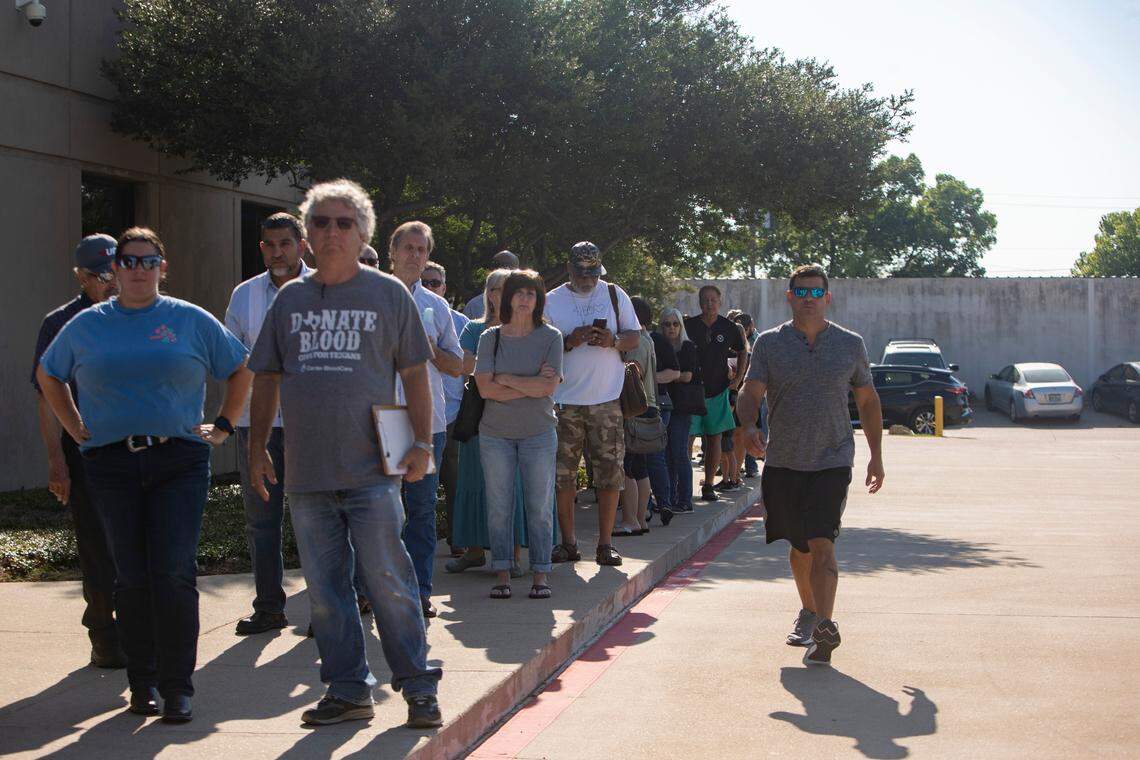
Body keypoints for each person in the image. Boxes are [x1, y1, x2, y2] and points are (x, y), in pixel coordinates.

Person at [246, 179, 443, 728]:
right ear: (307, 235)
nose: (331, 231)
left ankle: (418, 687)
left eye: (344, 222)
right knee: (327, 594)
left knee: (390, 582)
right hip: (306, 474)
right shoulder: (290, 299)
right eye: (321, 222)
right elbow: (265, 377)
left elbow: (415, 376)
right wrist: (258, 445)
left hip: (373, 471)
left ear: (363, 234)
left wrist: (422, 444)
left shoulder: (388, 294)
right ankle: (349, 689)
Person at [37, 227, 252, 723]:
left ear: (162, 266)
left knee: (173, 572)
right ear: (114, 269)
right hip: (110, 464)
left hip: (178, 461)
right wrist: (74, 427)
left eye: (147, 261)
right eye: (128, 261)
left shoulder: (188, 319)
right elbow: (49, 374)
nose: (137, 269)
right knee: (130, 577)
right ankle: (143, 682)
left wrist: (222, 426)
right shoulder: (88, 325)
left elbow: (241, 369)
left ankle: (178, 687)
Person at [738, 263, 886, 668]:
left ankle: (825, 625)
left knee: (822, 543)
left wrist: (876, 454)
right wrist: (748, 424)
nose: (808, 299)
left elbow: (868, 401)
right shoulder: (769, 344)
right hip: (783, 461)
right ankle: (808, 611)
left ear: (827, 297)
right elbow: (750, 392)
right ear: (789, 297)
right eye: (800, 293)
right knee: (799, 548)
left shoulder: (849, 344)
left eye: (815, 293)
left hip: (833, 459)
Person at [29, 233, 124, 669]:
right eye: (100, 275)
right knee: (97, 548)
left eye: (115, 270)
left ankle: (141, 630)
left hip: (141, 449)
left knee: (140, 546)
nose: (111, 281)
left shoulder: (143, 315)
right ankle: (104, 632)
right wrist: (56, 462)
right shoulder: (61, 324)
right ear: (80, 277)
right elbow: (47, 397)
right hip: (86, 452)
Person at [224, 213, 312, 636]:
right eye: (270, 245)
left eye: (285, 243)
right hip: (253, 425)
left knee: (317, 519)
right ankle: (269, 608)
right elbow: (232, 359)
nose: (278, 252)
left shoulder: (323, 289)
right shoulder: (243, 296)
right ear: (261, 248)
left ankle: (331, 608)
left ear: (302, 244)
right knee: (262, 520)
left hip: (309, 424)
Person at [544, 242, 640, 567]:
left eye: (592, 270)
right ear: (569, 268)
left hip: (607, 400)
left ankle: (606, 544)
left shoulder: (615, 294)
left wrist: (612, 340)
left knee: (610, 473)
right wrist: (569, 341)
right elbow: (541, 345)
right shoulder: (552, 299)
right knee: (562, 476)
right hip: (563, 401)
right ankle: (568, 543)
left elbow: (634, 336)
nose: (587, 276)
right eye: (581, 270)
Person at [389, 222, 464, 619]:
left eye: (421, 249)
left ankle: (419, 592)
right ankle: (374, 591)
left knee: (419, 511)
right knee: (378, 512)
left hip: (426, 424)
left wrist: (431, 349)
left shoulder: (437, 308)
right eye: (408, 248)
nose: (415, 256)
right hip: (379, 420)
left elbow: (457, 367)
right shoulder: (370, 297)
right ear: (393, 252)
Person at [474, 270, 562, 599]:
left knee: (539, 507)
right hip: (495, 434)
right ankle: (502, 572)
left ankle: (541, 574)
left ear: (539, 299)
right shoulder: (490, 338)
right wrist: (530, 385)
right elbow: (484, 389)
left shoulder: (551, 336)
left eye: (531, 293)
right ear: (507, 297)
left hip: (538, 433)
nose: (525, 299)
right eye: (519, 292)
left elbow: (549, 387)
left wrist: (505, 378)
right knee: (499, 506)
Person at [446, 270, 530, 575]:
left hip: (518, 417)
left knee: (511, 485)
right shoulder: (473, 327)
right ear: (488, 294)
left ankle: (513, 555)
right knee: (474, 480)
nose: (501, 294)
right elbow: (464, 365)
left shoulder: (527, 328)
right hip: (478, 415)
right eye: (495, 289)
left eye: (508, 288)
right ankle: (474, 551)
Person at [421, 261, 470, 556]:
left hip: (451, 413)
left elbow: (462, 367)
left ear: (444, 287)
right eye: (425, 282)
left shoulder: (460, 321)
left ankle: (458, 539)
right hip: (415, 416)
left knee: (454, 482)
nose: (430, 287)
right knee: (419, 490)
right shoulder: (406, 309)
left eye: (435, 282)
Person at [615, 296, 676, 535]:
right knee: (640, 467)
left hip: (634, 409)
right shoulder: (648, 339)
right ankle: (640, 519)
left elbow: (634, 373)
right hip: (649, 406)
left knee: (627, 467)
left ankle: (630, 519)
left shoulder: (636, 342)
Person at [685, 285, 748, 502]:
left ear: (720, 301)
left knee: (714, 440)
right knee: (687, 438)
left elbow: (743, 351)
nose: (709, 304)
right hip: (691, 391)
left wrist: (738, 380)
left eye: (713, 300)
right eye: (705, 300)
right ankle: (682, 485)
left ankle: (709, 484)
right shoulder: (689, 325)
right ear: (699, 302)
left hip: (719, 391)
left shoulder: (729, 327)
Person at [656, 307, 696, 518]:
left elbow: (687, 376)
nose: (671, 328)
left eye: (675, 323)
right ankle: (668, 498)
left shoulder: (687, 347)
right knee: (665, 454)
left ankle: (685, 499)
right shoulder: (658, 346)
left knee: (679, 452)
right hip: (662, 405)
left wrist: (668, 375)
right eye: (667, 324)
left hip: (681, 406)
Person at [463, 250, 519, 319]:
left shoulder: (526, 304)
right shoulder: (474, 306)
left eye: (510, 268)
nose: (505, 272)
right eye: (502, 266)